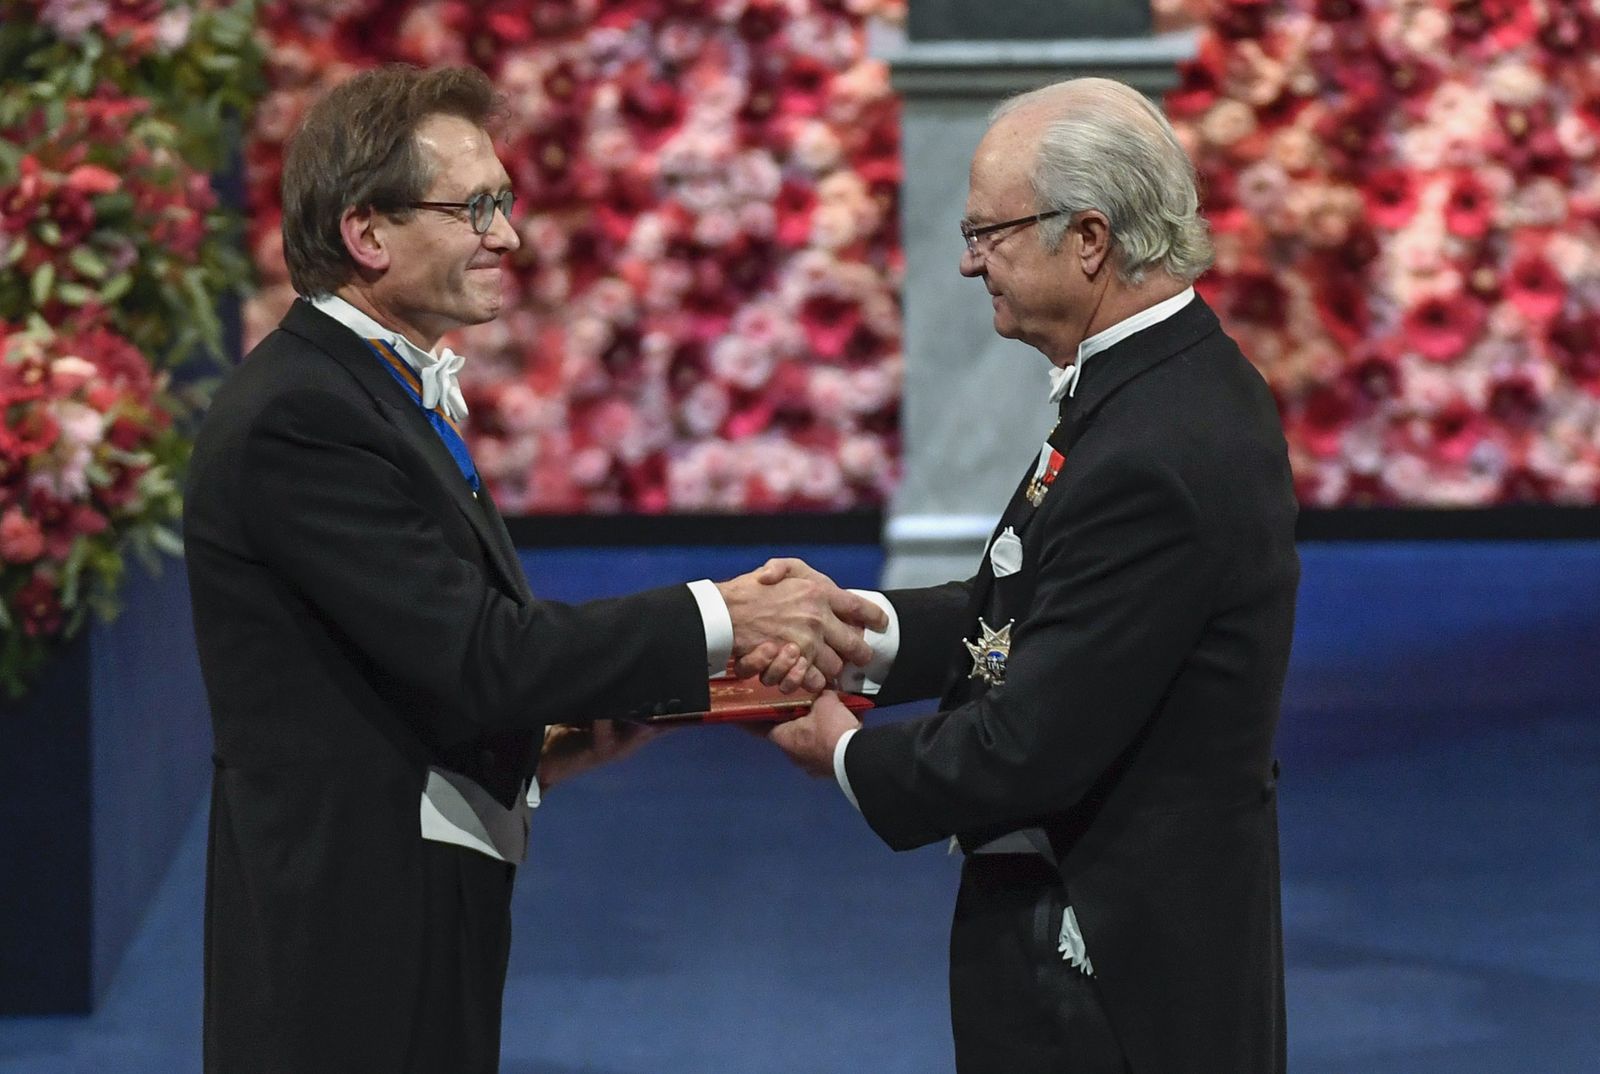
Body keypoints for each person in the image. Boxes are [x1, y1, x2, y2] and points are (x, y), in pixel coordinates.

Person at [182, 64, 884, 1074]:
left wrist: (551, 737)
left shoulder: (355, 391)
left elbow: (410, 654)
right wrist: (723, 615)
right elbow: (478, 655)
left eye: (503, 203)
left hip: (403, 890)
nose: (507, 237)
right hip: (345, 925)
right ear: (367, 233)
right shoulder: (306, 415)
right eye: (475, 208)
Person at [765, 77, 1299, 1074]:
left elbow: (1027, 747)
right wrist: (858, 630)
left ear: (1088, 238)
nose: (969, 263)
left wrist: (843, 753)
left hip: (1111, 971)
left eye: (991, 233)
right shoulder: (1163, 385)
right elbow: (1039, 607)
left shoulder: (1155, 442)